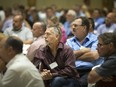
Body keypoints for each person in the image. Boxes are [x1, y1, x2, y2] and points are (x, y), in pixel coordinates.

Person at [66, 17, 103, 87]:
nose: (73, 27)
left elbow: (93, 56)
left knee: (79, 84)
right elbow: (65, 56)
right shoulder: (69, 41)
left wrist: (74, 56)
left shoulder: (96, 39)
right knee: (57, 81)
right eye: (72, 25)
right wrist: (83, 51)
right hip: (72, 71)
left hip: (89, 71)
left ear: (84, 27)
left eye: (75, 25)